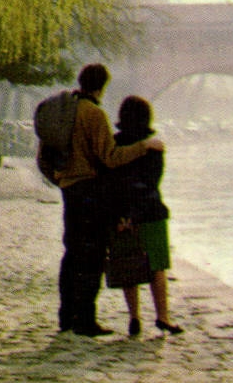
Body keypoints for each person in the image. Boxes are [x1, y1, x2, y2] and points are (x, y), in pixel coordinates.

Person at [55, 64, 164, 336]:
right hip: (90, 193)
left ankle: (66, 315)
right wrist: (144, 147)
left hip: (69, 190)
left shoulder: (62, 111)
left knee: (71, 254)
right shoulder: (93, 114)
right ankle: (85, 320)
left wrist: (59, 179)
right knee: (92, 256)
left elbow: (44, 157)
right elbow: (110, 158)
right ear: (101, 86)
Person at [107, 96, 182, 337]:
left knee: (129, 263)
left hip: (121, 214)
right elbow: (152, 182)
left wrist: (123, 214)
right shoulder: (154, 146)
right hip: (151, 212)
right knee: (157, 266)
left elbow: (112, 182)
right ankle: (163, 316)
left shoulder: (114, 146)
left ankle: (134, 317)